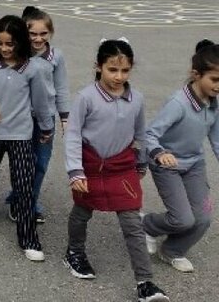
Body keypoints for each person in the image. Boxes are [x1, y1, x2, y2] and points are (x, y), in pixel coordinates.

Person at [62, 39, 170, 302]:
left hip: (122, 167)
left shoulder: (137, 99)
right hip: (90, 166)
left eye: (125, 70)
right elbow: (73, 135)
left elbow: (140, 134)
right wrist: (75, 171)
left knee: (132, 223)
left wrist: (141, 161)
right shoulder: (85, 98)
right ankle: (74, 252)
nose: (118, 77)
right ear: (98, 66)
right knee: (82, 211)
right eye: (112, 70)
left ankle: (145, 282)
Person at [0, 14, 54, 262]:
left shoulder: (33, 69)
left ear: (20, 43)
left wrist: (46, 129)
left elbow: (41, 104)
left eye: (10, 44)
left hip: (21, 135)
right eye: (0, 43)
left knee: (24, 188)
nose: (4, 49)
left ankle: (29, 238)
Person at [142, 39, 219, 274]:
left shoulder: (215, 103)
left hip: (194, 164)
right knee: (183, 219)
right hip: (167, 165)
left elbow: (216, 140)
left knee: (203, 219)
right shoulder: (178, 103)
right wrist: (159, 153)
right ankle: (146, 225)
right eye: (215, 79)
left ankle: (173, 251)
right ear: (196, 74)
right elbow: (149, 135)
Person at [5, 7, 69, 224]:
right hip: (21, 117)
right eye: (33, 34)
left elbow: (61, 88)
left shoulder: (56, 56)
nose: (38, 38)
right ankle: (20, 202)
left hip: (46, 119)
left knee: (40, 163)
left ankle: (29, 200)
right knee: (23, 162)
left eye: (44, 33)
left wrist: (65, 118)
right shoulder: (16, 55)